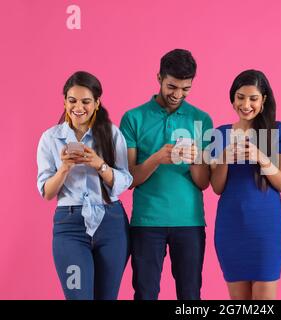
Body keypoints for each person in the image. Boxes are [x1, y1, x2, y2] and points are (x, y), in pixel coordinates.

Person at [119, 49, 213, 300]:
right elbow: (129, 179)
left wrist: (195, 160)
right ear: (159, 77)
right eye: (172, 86)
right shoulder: (133, 118)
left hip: (190, 222)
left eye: (186, 89)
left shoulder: (201, 120)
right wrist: (157, 158)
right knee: (146, 293)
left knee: (190, 296)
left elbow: (203, 183)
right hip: (147, 222)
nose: (177, 95)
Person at [36, 71, 133, 300]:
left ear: (97, 103)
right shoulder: (50, 138)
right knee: (78, 296)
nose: (78, 107)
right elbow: (46, 193)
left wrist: (100, 165)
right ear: (64, 102)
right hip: (70, 227)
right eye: (72, 101)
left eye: (86, 101)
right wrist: (64, 168)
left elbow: (124, 182)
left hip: (112, 224)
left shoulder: (111, 133)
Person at [210, 69, 281, 300]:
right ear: (233, 98)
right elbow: (217, 187)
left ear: (263, 100)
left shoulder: (278, 131)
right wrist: (224, 158)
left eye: (253, 98)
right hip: (231, 229)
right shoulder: (220, 133)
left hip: (266, 230)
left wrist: (261, 157)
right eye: (240, 97)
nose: (246, 104)